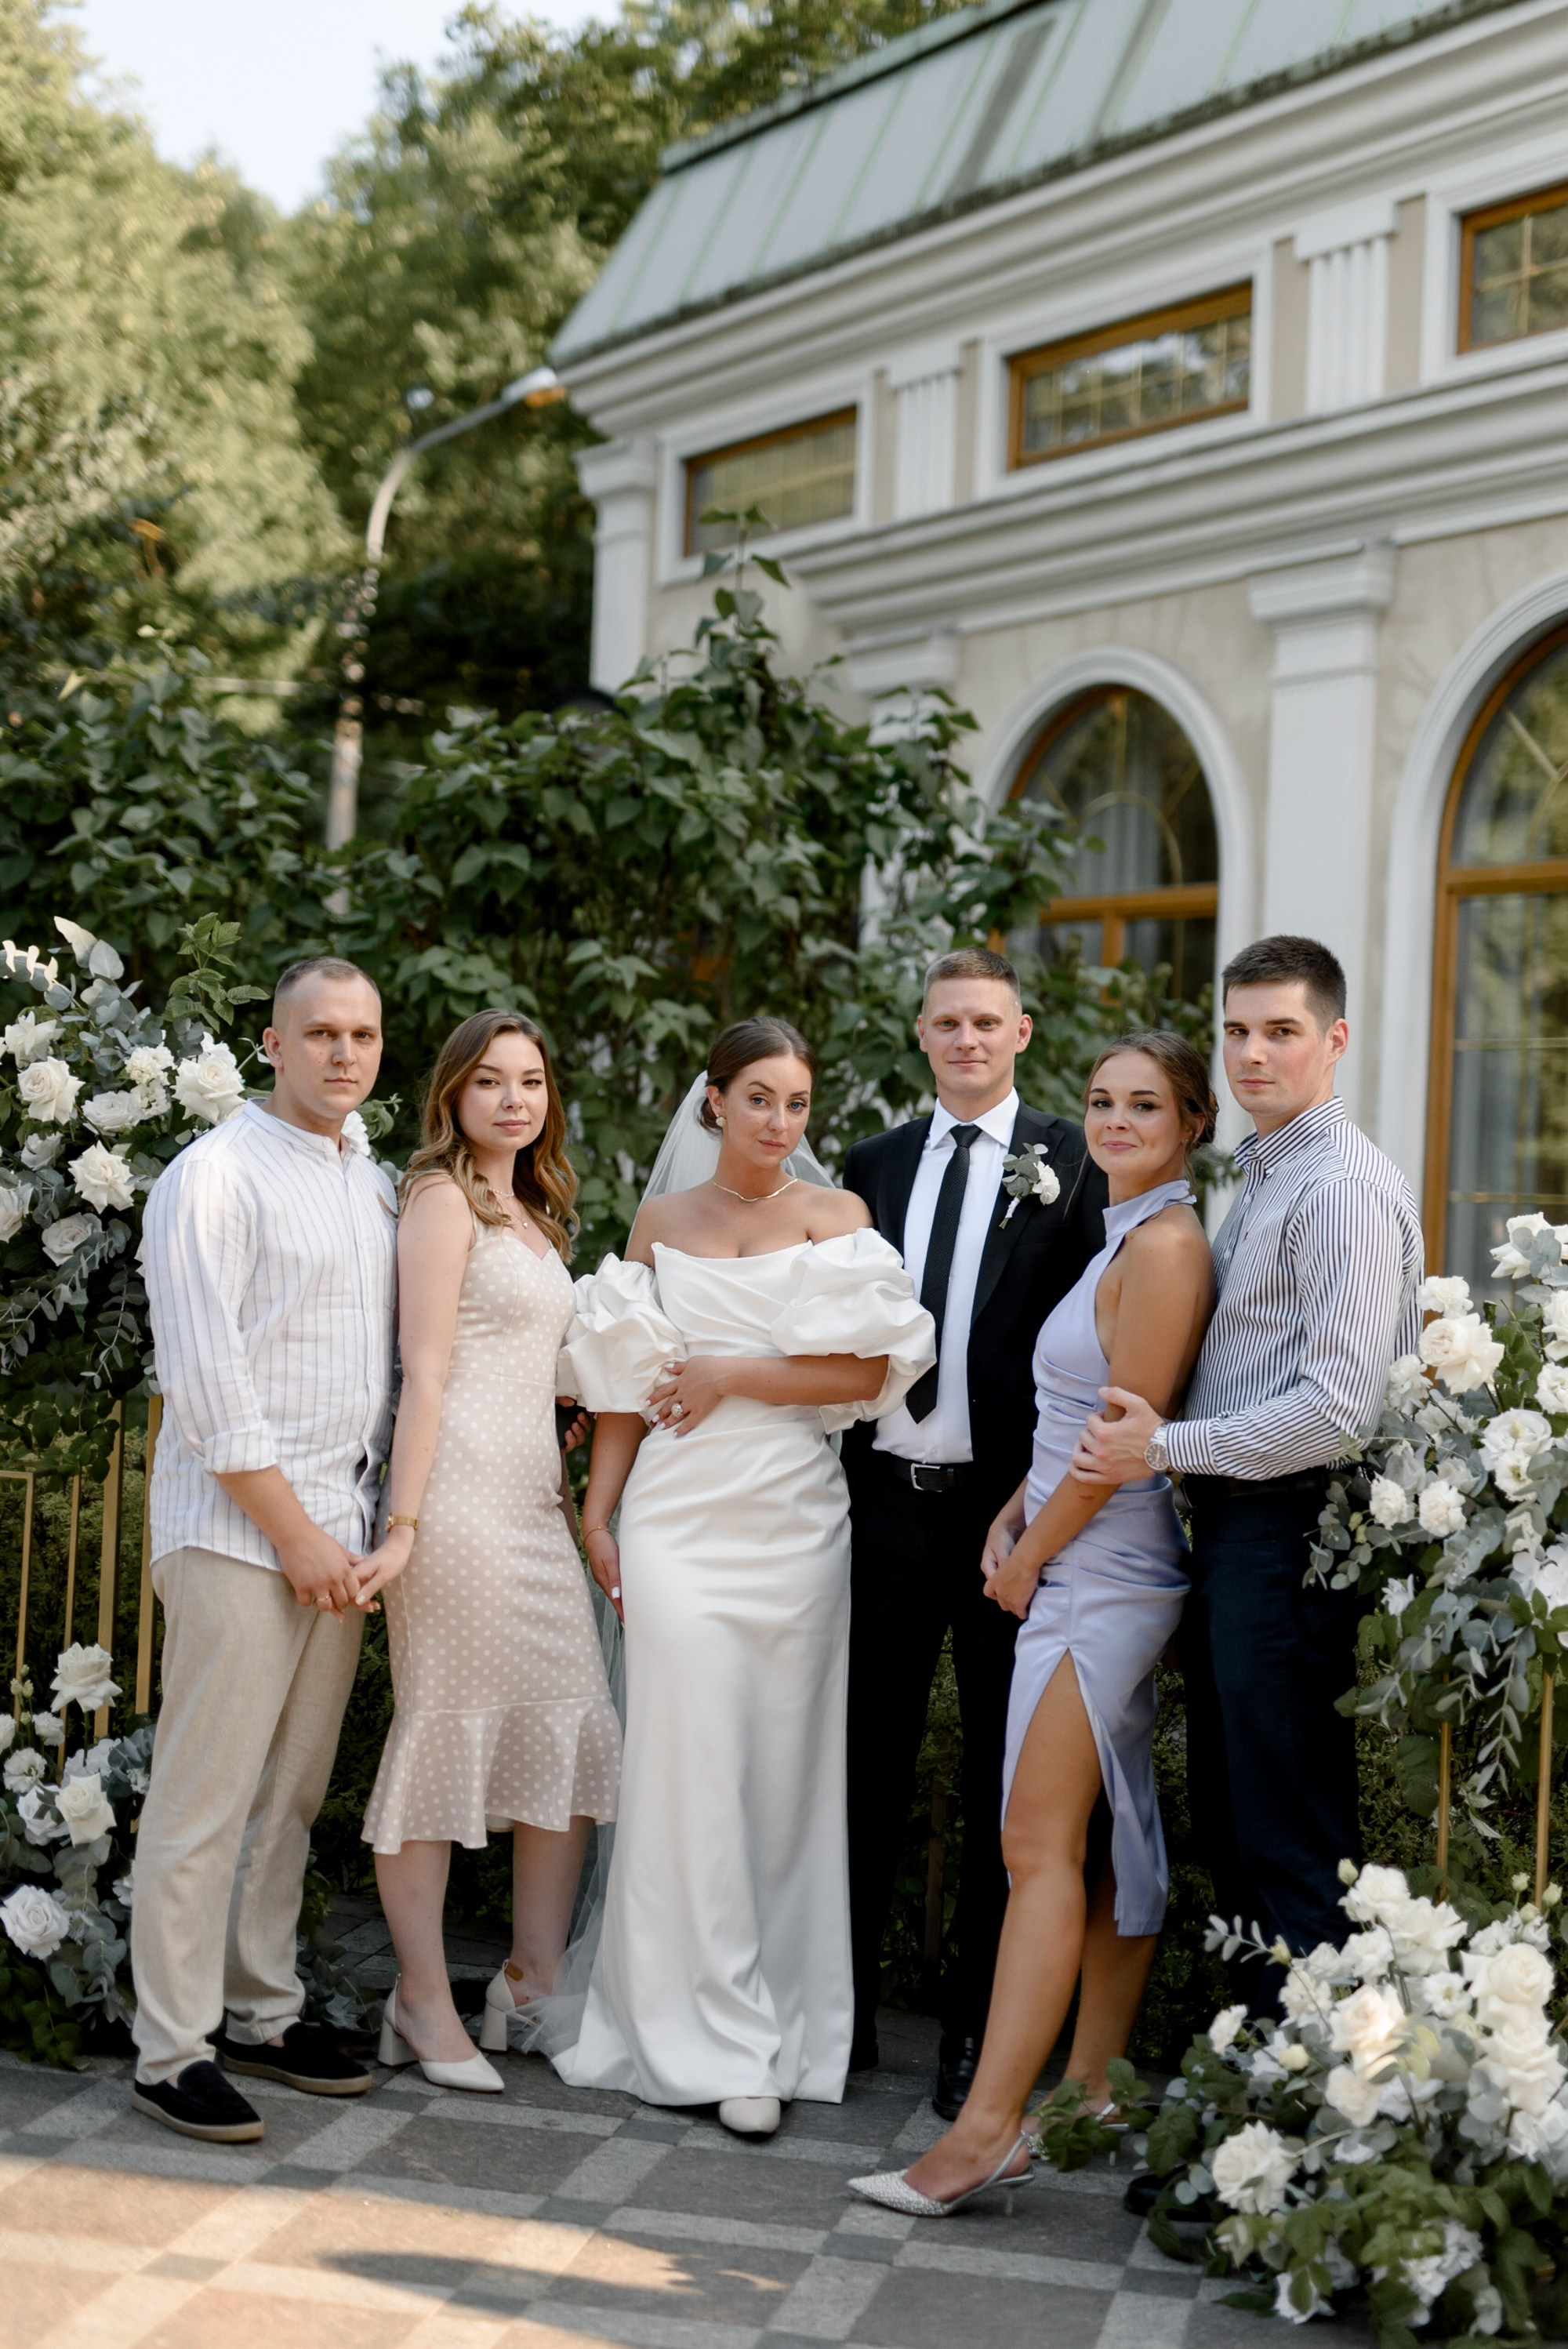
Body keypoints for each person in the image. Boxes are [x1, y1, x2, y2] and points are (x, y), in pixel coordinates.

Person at [849, 1033, 1215, 2216]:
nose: (1112, 1120)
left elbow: (1122, 1442)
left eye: (1143, 1104)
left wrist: (1026, 1559)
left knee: (1031, 1844)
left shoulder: (1165, 1248)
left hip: (1103, 1578)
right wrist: (1013, 1508)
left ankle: (985, 2132)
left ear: (1191, 1123)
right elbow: (1072, 1422)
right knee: (1095, 1843)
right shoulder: (1118, 1231)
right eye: (1102, 1099)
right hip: (1066, 1554)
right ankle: (1092, 2085)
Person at [550, 1017, 934, 2137]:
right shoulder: (659, 1222)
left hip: (793, 1521)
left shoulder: (837, 1220)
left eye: (797, 1104)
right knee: (684, 1763)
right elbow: (623, 1383)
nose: (779, 1122)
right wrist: (599, 1510)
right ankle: (693, 2033)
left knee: (780, 1772)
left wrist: (729, 1370)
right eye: (758, 1098)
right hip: (673, 1514)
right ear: (712, 1102)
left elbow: (868, 1369)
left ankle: (776, 2027)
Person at [1074, 935, 1423, 1984]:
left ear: (1335, 1040)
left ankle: (1307, 2116)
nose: (1251, 1054)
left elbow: (1336, 1411)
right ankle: (1252, 2105)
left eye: (1280, 1031)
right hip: (1240, 1530)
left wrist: (1162, 1446)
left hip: (1290, 1531)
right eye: (1236, 1030)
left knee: (1285, 1834)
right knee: (1235, 1817)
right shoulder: (1269, 1175)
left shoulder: (1339, 1190)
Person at [132, 957, 396, 2144]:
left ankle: (259, 2008)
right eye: (321, 1034)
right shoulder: (214, 1177)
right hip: (238, 1535)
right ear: (272, 1045)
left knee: (287, 1794)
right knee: (206, 1794)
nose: (345, 1054)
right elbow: (206, 1383)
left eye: (364, 1035)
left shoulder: (371, 1180)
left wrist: (355, 1530)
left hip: (334, 1539)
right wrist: (292, 1534)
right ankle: (169, 2047)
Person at [840, 947, 1107, 2115]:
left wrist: (1042, 1518)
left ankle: (973, 2042)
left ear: (1023, 1032)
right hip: (885, 1509)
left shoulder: (1074, 1162)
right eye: (947, 1022)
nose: (967, 1040)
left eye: (987, 1022)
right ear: (921, 1033)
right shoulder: (875, 1164)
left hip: (1006, 1523)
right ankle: (836, 2021)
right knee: (861, 1772)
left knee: (1008, 1792)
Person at [354, 1011, 621, 2091]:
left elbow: (539, 1379)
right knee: (445, 1733)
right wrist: (403, 1526)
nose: (515, 1100)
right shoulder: (438, 1200)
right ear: (454, 1096)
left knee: (569, 1726)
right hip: (454, 1503)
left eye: (533, 1082)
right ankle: (421, 2000)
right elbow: (423, 1369)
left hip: (532, 1507)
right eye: (492, 1082)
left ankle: (529, 1982)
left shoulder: (535, 1213)